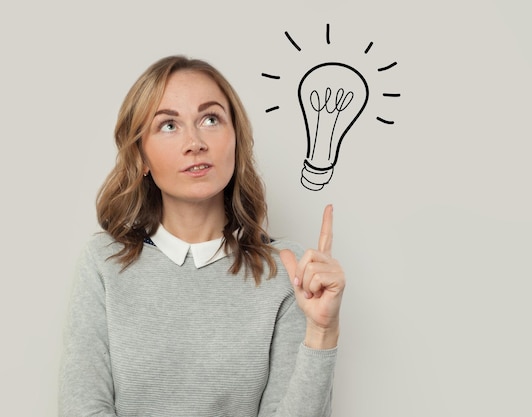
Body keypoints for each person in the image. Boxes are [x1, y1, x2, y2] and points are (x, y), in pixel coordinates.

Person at [59, 55, 346, 417]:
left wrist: (323, 332)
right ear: (141, 156)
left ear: (236, 139)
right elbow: (82, 408)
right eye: (168, 125)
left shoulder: (286, 271)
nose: (194, 142)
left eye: (210, 119)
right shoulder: (104, 262)